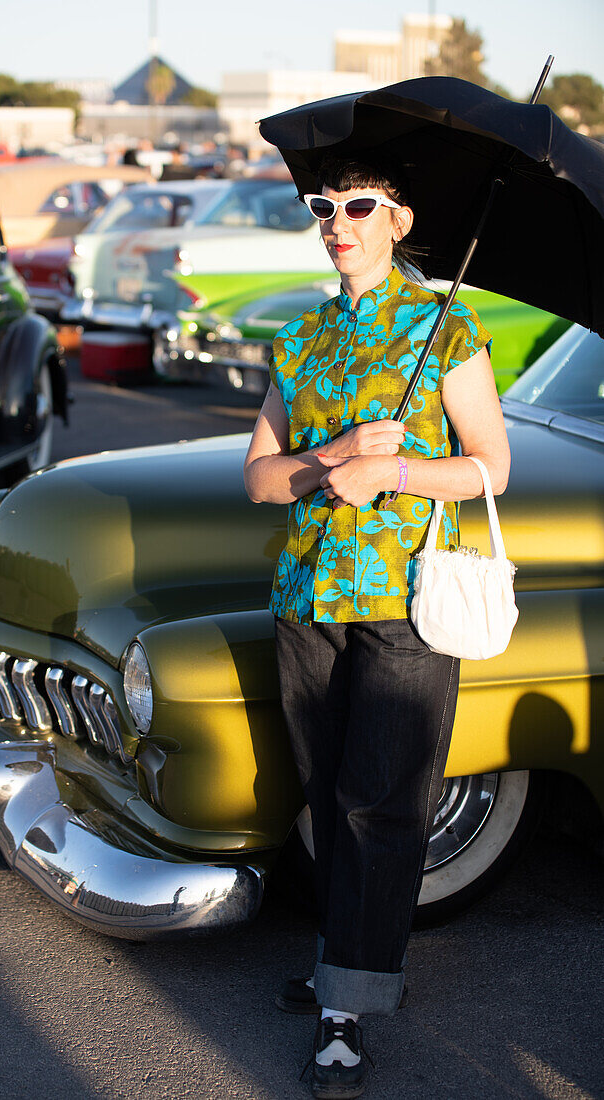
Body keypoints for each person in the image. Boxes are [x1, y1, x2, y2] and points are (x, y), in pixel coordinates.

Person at [243, 158, 511, 1099]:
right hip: (306, 598)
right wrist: (335, 455)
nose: (337, 221)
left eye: (359, 207)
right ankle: (338, 969)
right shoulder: (299, 337)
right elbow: (261, 479)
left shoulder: (446, 327)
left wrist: (393, 474)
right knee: (324, 795)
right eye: (324, 206)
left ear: (397, 220)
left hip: (403, 601)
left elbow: (492, 469)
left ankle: (347, 1010)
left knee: (382, 804)